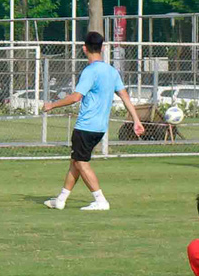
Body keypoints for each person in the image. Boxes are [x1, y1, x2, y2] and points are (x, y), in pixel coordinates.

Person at [41, 31, 144, 211]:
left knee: (81, 162)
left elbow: (75, 97)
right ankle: (61, 200)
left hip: (86, 126)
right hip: (100, 128)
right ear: (102, 48)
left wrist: (52, 105)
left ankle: (100, 200)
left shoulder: (90, 71)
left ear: (84, 48)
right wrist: (136, 120)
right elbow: (125, 96)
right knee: (76, 161)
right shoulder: (112, 71)